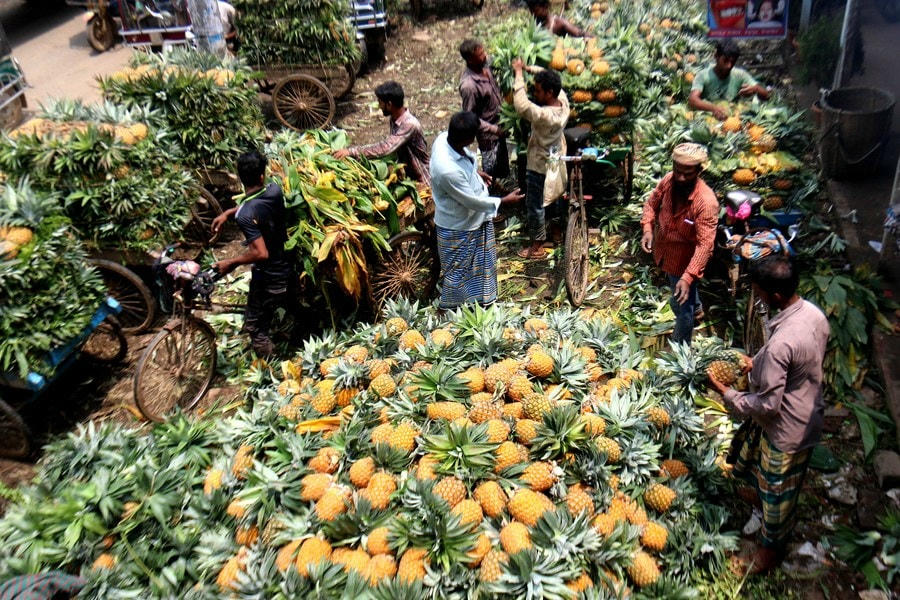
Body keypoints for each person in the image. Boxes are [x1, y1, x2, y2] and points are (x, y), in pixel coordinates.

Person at [707, 256, 829, 574]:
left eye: (759, 291)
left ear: (775, 295)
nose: (756, 296)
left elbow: (768, 405)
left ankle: (769, 552)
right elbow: (798, 358)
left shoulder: (781, 346)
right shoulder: (813, 315)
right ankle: (763, 513)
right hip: (808, 410)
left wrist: (728, 393)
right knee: (766, 477)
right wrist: (757, 361)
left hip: (785, 427)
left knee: (776, 491)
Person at [430, 112, 524, 309]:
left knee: (479, 269)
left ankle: (479, 303)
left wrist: (475, 173)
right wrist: (504, 201)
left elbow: (464, 167)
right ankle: (452, 310)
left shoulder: (443, 140)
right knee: (458, 273)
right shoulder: (447, 169)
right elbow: (472, 202)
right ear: (468, 138)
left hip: (473, 220)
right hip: (459, 225)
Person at [211, 150, 300, 356]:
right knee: (291, 305)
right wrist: (228, 213)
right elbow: (251, 203)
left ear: (241, 178)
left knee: (255, 324)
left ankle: (269, 362)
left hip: (270, 277)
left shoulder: (246, 215)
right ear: (262, 176)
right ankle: (300, 331)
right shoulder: (274, 190)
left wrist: (231, 263)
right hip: (287, 267)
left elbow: (261, 254)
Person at [640, 143, 718, 344]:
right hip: (666, 253)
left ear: (699, 171)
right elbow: (651, 204)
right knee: (685, 297)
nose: (681, 178)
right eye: (677, 171)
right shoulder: (668, 181)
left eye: (688, 173)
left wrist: (688, 276)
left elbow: (705, 246)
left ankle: (679, 347)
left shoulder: (705, 203)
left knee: (682, 310)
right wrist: (647, 229)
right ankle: (698, 308)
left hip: (686, 262)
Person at [511, 58, 569, 259]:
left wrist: (519, 73)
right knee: (555, 198)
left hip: (539, 165)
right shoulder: (563, 102)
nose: (535, 93)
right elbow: (549, 73)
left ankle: (537, 246)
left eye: (538, 90)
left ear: (549, 93)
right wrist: (529, 68)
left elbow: (521, 105)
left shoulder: (544, 115)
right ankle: (557, 232)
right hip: (557, 161)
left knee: (535, 204)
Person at [333, 81, 431, 186]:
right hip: (407, 176)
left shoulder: (410, 124)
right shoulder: (394, 118)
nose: (379, 106)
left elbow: (386, 147)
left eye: (380, 103)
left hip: (422, 180)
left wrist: (352, 151)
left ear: (389, 104)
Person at [458, 39, 508, 180]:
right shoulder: (469, 86)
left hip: (501, 129)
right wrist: (494, 129)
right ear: (470, 60)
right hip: (489, 137)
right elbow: (470, 118)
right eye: (480, 55)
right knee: (492, 174)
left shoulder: (485, 66)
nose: (485, 55)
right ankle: (493, 199)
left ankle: (506, 196)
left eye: (483, 51)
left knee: (503, 172)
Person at [688, 40, 770, 120]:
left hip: (732, 118)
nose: (729, 66)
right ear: (716, 56)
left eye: (733, 62)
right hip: (708, 118)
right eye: (725, 60)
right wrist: (713, 108)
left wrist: (756, 89)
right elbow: (693, 100)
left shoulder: (739, 74)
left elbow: (766, 96)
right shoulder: (703, 75)